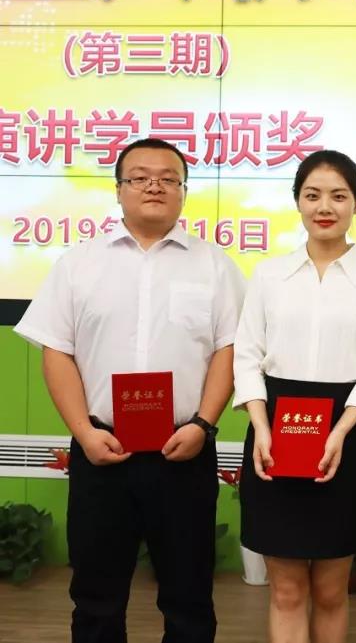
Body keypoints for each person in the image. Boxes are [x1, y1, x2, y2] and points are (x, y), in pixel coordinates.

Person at [13, 137, 245, 643]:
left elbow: (228, 351)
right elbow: (56, 351)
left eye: (168, 178)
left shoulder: (215, 265)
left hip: (184, 449)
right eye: (139, 177)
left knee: (188, 594)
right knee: (96, 594)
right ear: (118, 190)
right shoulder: (78, 263)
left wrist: (204, 424)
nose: (154, 186)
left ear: (184, 191)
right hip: (102, 448)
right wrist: (83, 433)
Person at [232, 150, 356, 643]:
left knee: (330, 590)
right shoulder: (268, 275)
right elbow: (247, 355)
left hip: (343, 437)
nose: (325, 207)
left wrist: (341, 431)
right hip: (274, 437)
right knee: (285, 591)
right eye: (313, 195)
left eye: (338, 196)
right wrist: (261, 427)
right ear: (298, 202)